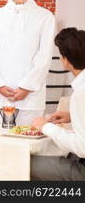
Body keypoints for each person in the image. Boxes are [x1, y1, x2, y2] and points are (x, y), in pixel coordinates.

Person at [31, 27, 85, 181]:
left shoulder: (81, 93)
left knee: (24, 162)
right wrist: (72, 116)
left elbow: (82, 147)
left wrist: (45, 127)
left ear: (65, 60)